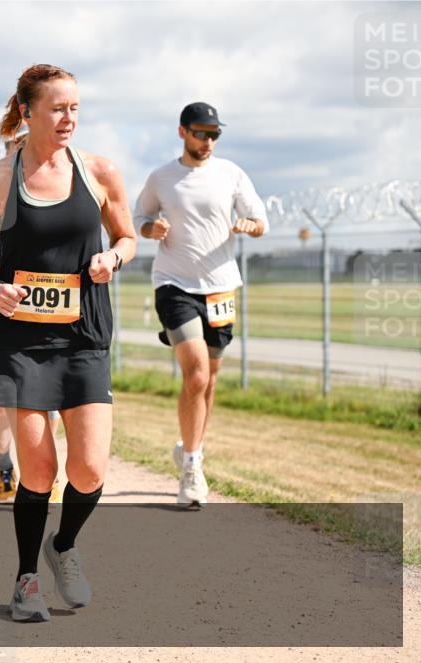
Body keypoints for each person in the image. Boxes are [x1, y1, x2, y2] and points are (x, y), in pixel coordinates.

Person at [0, 64, 136, 622]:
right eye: (58, 108)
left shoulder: (100, 171)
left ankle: (64, 545)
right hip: (21, 342)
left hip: (84, 336)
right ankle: (26, 578)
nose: (69, 118)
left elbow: (127, 237)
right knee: (37, 471)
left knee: (89, 470)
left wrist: (113, 257)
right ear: (27, 111)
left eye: (75, 107)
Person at [133, 102, 268, 509]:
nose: (207, 141)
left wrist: (250, 225)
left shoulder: (232, 174)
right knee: (194, 374)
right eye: (200, 133)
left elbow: (260, 220)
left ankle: (191, 447)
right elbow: (139, 215)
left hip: (221, 288)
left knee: (209, 379)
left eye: (214, 135)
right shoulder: (162, 177)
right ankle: (191, 468)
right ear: (182, 132)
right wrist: (150, 228)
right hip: (174, 284)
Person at [0, 133, 62, 504]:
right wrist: (4, 283)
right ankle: (5, 463)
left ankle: (41, 471)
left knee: (47, 390)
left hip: (45, 308)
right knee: (4, 391)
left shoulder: (52, 191)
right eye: (14, 147)